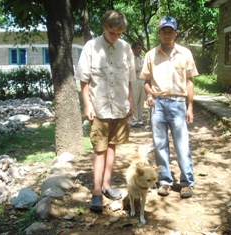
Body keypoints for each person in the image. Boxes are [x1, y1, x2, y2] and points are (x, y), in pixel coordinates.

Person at [75, 10, 135, 212]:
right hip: (99, 107)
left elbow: (129, 79)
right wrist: (87, 104)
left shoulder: (125, 48)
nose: (116, 37)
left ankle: (107, 185)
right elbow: (84, 80)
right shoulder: (91, 47)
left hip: (119, 107)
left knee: (112, 146)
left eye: (119, 33)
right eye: (112, 32)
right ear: (104, 27)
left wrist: (131, 102)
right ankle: (97, 192)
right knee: (99, 149)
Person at [140, 16, 199, 198]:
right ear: (159, 33)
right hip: (157, 105)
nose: (167, 35)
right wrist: (149, 95)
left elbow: (189, 82)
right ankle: (165, 181)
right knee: (160, 145)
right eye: (163, 32)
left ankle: (187, 182)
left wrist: (190, 107)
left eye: (170, 31)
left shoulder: (185, 54)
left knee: (182, 146)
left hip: (178, 104)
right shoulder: (151, 55)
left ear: (175, 33)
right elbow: (146, 82)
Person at [130, 42, 145, 128]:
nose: (140, 50)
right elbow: (134, 68)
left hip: (141, 81)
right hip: (134, 81)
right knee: (134, 101)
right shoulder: (130, 58)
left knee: (141, 101)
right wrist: (141, 68)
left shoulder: (141, 58)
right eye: (138, 48)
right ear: (133, 49)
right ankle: (133, 120)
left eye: (140, 48)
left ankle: (140, 120)